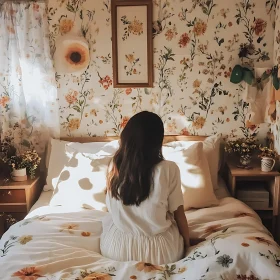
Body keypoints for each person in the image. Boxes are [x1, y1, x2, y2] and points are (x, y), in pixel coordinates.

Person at [100, 111, 189, 265]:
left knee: (109, 220)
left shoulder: (114, 165)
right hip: (161, 252)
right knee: (170, 220)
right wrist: (187, 244)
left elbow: (110, 208)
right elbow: (179, 214)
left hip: (117, 249)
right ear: (157, 141)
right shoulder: (168, 169)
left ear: (126, 137)